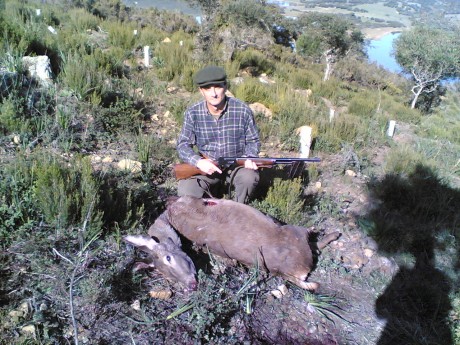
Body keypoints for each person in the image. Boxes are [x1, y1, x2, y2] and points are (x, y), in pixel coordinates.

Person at [176, 65, 261, 203]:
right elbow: (183, 145)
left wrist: (249, 157)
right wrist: (198, 162)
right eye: (207, 88)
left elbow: (253, 141)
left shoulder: (242, 110)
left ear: (226, 87)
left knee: (249, 178)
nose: (214, 93)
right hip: (207, 167)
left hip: (236, 166)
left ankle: (238, 210)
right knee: (186, 190)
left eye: (218, 87)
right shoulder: (193, 113)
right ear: (201, 91)